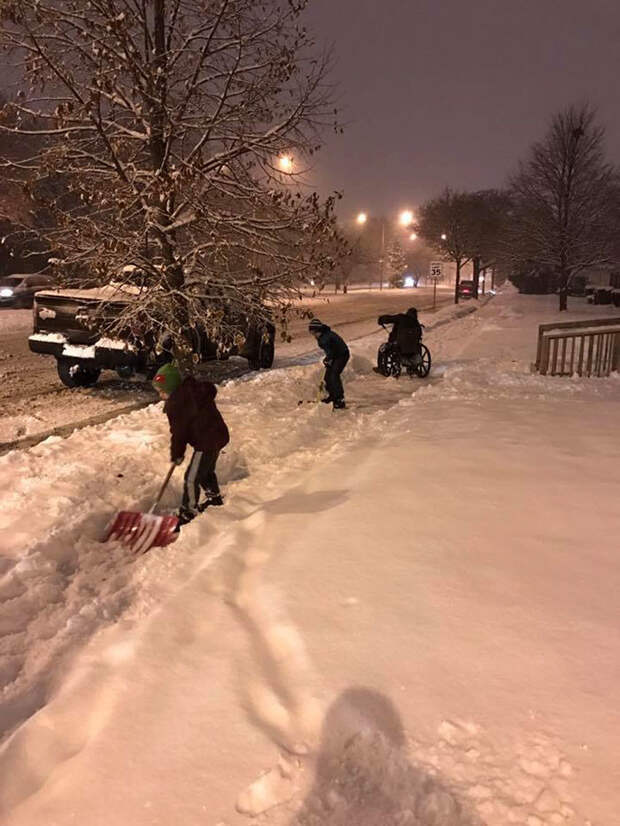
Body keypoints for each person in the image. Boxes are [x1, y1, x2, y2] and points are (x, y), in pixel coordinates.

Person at [152, 362, 230, 527]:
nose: (160, 395)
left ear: (171, 389)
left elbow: (179, 434)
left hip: (206, 442)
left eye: (162, 391)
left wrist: (177, 454)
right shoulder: (193, 391)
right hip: (218, 436)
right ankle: (214, 497)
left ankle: (189, 511)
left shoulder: (177, 405)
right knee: (205, 470)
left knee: (191, 478)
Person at [308, 318, 350, 409]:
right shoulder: (323, 335)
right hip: (336, 355)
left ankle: (339, 399)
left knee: (334, 375)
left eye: (313, 332)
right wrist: (328, 359)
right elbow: (331, 351)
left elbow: (332, 351)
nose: (313, 335)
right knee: (327, 376)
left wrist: (328, 359)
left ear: (317, 330)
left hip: (342, 355)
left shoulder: (325, 338)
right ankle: (332, 396)